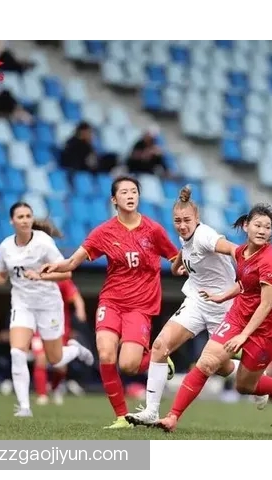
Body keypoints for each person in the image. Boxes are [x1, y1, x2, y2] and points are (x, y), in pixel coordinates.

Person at [40, 175, 180, 429]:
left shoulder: (154, 230)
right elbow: (72, 262)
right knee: (105, 353)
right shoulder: (104, 232)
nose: (130, 195)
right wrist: (55, 266)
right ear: (114, 200)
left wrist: (189, 266)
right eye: (124, 192)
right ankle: (122, 417)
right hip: (111, 301)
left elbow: (175, 259)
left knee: (128, 365)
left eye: (134, 191)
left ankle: (159, 359)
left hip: (141, 305)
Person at [125, 186, 268, 427]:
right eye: (177, 221)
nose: (182, 225)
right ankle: (151, 411)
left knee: (220, 367)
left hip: (223, 308)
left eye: (186, 220)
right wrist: (177, 267)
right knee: (160, 346)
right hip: (196, 302)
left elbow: (232, 249)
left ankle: (257, 380)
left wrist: (250, 268)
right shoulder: (186, 236)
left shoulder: (205, 236)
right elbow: (185, 249)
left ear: (197, 218)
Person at [154, 203, 272, 433]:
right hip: (238, 316)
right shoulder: (242, 252)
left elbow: (266, 304)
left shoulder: (270, 261)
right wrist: (222, 297)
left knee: (244, 386)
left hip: (268, 330)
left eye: (267, 227)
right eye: (258, 225)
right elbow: (244, 283)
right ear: (246, 226)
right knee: (207, 362)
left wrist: (243, 336)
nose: (262, 231)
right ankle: (172, 417)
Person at [0, 203, 94, 417]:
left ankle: (75, 349)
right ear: (12, 221)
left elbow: (67, 274)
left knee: (55, 359)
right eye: (20, 216)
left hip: (48, 305)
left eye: (28, 216)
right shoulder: (5, 247)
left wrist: (41, 276)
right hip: (22, 305)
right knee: (17, 352)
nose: (25, 220)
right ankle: (24, 407)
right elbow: (2, 275)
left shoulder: (43, 243)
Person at [33, 278, 87, 405]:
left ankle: (54, 388)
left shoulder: (62, 279)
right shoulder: (36, 277)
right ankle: (42, 395)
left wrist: (80, 309)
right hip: (40, 326)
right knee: (41, 358)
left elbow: (76, 297)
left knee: (61, 366)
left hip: (59, 328)